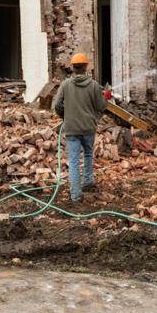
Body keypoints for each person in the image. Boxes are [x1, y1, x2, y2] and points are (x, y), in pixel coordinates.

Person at [54, 52, 107, 203]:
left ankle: (76, 195)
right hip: (88, 128)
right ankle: (88, 181)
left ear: (73, 68)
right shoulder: (94, 86)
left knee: (74, 161)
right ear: (86, 67)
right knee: (89, 154)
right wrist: (105, 97)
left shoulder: (65, 85)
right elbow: (101, 106)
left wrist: (65, 117)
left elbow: (57, 105)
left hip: (71, 129)